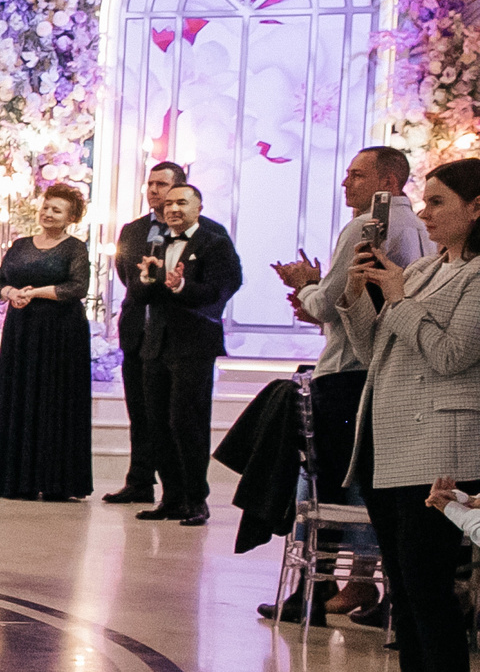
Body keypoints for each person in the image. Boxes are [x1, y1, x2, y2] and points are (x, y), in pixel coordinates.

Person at [333, 157, 480, 672]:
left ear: (476, 208)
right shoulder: (422, 269)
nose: (423, 213)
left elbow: (451, 356)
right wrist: (356, 298)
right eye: (425, 201)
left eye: (439, 202)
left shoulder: (476, 277)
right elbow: (375, 348)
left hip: (443, 448)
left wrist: (397, 299)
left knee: (430, 584)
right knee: (404, 579)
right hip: (392, 439)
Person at [267, 146, 430, 623]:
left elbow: (332, 301)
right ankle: (358, 584)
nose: (345, 184)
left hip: (349, 369)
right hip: (376, 364)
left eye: (356, 175)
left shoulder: (367, 225)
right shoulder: (418, 228)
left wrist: (304, 284)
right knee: (360, 482)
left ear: (389, 181)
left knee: (319, 479)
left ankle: (313, 591)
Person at [132, 182, 241, 526]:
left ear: (199, 207)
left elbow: (223, 287)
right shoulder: (157, 242)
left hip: (193, 345)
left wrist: (180, 286)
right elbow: (138, 293)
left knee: (188, 422)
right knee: (157, 423)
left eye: (182, 202)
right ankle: (171, 497)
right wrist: (148, 282)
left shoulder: (214, 242)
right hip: (156, 343)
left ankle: (196, 499)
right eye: (168, 204)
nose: (173, 209)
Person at [0, 183, 95, 502]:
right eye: (46, 206)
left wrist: (32, 293)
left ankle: (57, 480)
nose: (48, 213)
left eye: (56, 209)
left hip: (62, 334)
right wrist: (11, 293)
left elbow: (76, 287)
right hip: (22, 331)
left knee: (54, 400)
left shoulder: (75, 248)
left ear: (71, 217)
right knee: (19, 396)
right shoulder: (19, 245)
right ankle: (16, 480)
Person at [105, 161, 188, 504]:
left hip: (174, 335)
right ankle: (139, 481)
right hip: (138, 330)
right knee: (139, 412)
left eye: (162, 184)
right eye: (150, 183)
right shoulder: (133, 229)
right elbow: (126, 273)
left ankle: (179, 490)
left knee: (170, 416)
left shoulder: (191, 230)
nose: (154, 190)